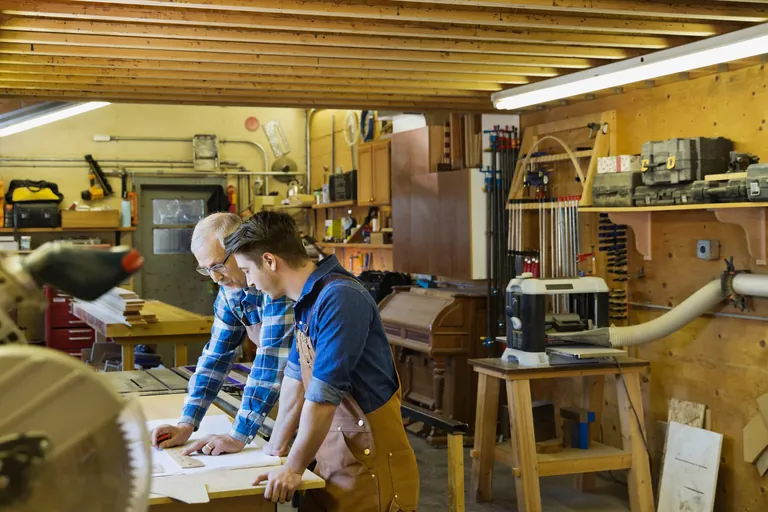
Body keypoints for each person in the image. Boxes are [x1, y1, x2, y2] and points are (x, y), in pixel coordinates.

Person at [224, 211, 418, 511]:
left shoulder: (340, 297)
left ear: (270, 261)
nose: (249, 283)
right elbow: (295, 381)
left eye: (248, 270)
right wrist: (274, 452)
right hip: (332, 459)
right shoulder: (306, 301)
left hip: (368, 468)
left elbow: (323, 396)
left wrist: (293, 467)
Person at [150, 213, 295, 456]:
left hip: (339, 402)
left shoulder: (276, 287)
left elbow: (269, 366)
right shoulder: (231, 292)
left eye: (218, 266)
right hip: (293, 396)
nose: (215, 278)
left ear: (240, 248)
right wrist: (186, 423)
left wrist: (236, 436)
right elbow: (215, 358)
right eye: (206, 270)